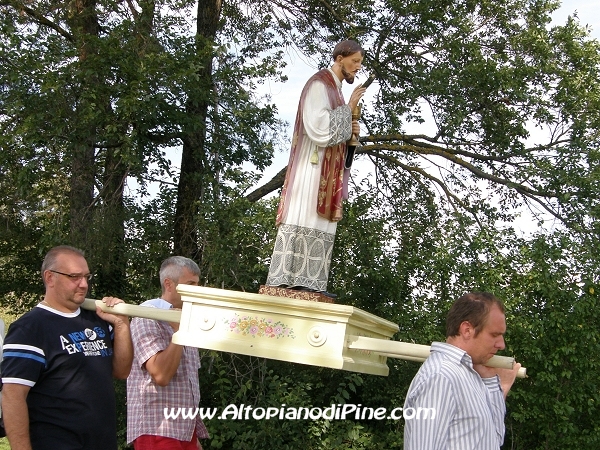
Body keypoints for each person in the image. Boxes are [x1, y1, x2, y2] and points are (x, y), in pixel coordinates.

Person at [0, 245, 133, 450]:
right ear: (50, 277)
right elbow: (13, 396)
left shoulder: (97, 319)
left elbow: (122, 371)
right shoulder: (30, 328)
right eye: (74, 277)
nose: (83, 284)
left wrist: (122, 324)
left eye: (86, 277)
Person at [265, 39, 368, 296]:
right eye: (354, 61)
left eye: (360, 63)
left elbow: (337, 129)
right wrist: (349, 109)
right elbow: (319, 126)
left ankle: (310, 282)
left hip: (327, 169)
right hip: (311, 168)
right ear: (339, 58)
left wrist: (350, 133)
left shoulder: (337, 90)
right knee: (306, 214)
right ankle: (289, 278)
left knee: (319, 221)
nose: (357, 67)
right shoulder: (319, 84)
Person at [403, 292, 522, 450]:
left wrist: (497, 384)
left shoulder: (469, 373)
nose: (501, 345)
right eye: (495, 335)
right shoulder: (441, 377)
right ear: (467, 330)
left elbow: (494, 439)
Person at [127, 256, 209, 449]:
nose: (195, 290)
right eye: (190, 284)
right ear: (168, 284)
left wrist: (192, 435)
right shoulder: (146, 315)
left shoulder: (186, 319)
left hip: (184, 430)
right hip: (157, 428)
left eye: (197, 284)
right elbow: (161, 375)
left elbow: (186, 385)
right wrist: (179, 333)